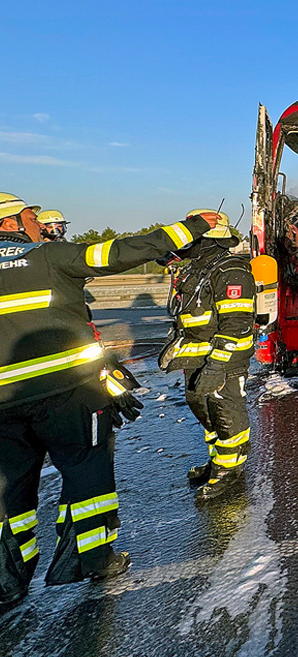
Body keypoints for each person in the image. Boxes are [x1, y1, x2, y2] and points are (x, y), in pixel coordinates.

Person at [0, 193, 217, 608]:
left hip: (4, 406)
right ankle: (92, 560)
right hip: (69, 394)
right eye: (30, 217)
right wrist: (188, 228)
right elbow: (119, 252)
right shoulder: (48, 257)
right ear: (10, 224)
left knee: (8, 490)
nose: (37, 224)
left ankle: (8, 578)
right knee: (87, 473)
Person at [158, 210, 256, 502]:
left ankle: (230, 471)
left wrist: (217, 364)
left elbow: (237, 324)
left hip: (223, 359)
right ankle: (217, 461)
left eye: (193, 236)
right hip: (195, 356)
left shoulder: (231, 271)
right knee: (202, 407)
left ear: (210, 240)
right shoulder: (197, 269)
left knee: (226, 412)